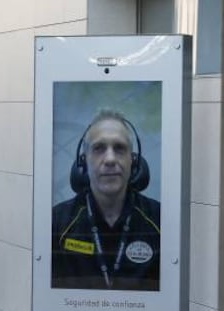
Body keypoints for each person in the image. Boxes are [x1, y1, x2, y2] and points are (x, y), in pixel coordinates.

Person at [52, 110, 160, 291]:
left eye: (119, 148)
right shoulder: (57, 222)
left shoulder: (159, 220)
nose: (110, 159)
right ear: (83, 161)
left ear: (133, 161)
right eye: (99, 148)